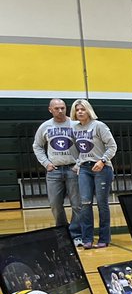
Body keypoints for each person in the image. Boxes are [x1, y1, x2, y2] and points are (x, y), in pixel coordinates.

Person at [32, 98, 82, 245]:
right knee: (55, 204)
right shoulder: (45, 126)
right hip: (53, 171)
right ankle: (62, 232)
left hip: (73, 169)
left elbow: (86, 146)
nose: (60, 111)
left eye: (63, 108)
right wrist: (46, 163)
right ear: (50, 109)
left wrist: (79, 164)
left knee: (77, 204)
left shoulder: (75, 125)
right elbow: (37, 146)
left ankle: (76, 234)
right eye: (57, 108)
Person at [70, 99, 117, 248]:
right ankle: (87, 239)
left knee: (102, 204)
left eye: (82, 109)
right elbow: (78, 150)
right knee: (85, 204)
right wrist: (78, 164)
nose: (80, 112)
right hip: (84, 169)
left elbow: (112, 146)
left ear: (88, 110)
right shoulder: (75, 128)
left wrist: (102, 161)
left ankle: (104, 238)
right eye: (77, 110)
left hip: (102, 168)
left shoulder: (99, 126)